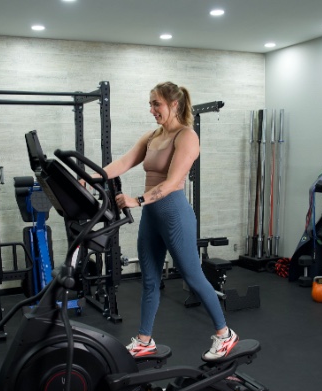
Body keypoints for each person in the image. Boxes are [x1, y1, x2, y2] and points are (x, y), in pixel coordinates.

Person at [101, 81, 239, 361]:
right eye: (150, 103)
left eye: (156, 104)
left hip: (174, 213)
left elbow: (174, 181)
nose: (152, 109)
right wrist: (89, 176)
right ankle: (144, 340)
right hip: (152, 215)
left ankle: (225, 335)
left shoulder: (186, 136)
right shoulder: (153, 136)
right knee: (150, 279)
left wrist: (136, 200)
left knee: (192, 275)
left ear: (174, 104)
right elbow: (123, 163)